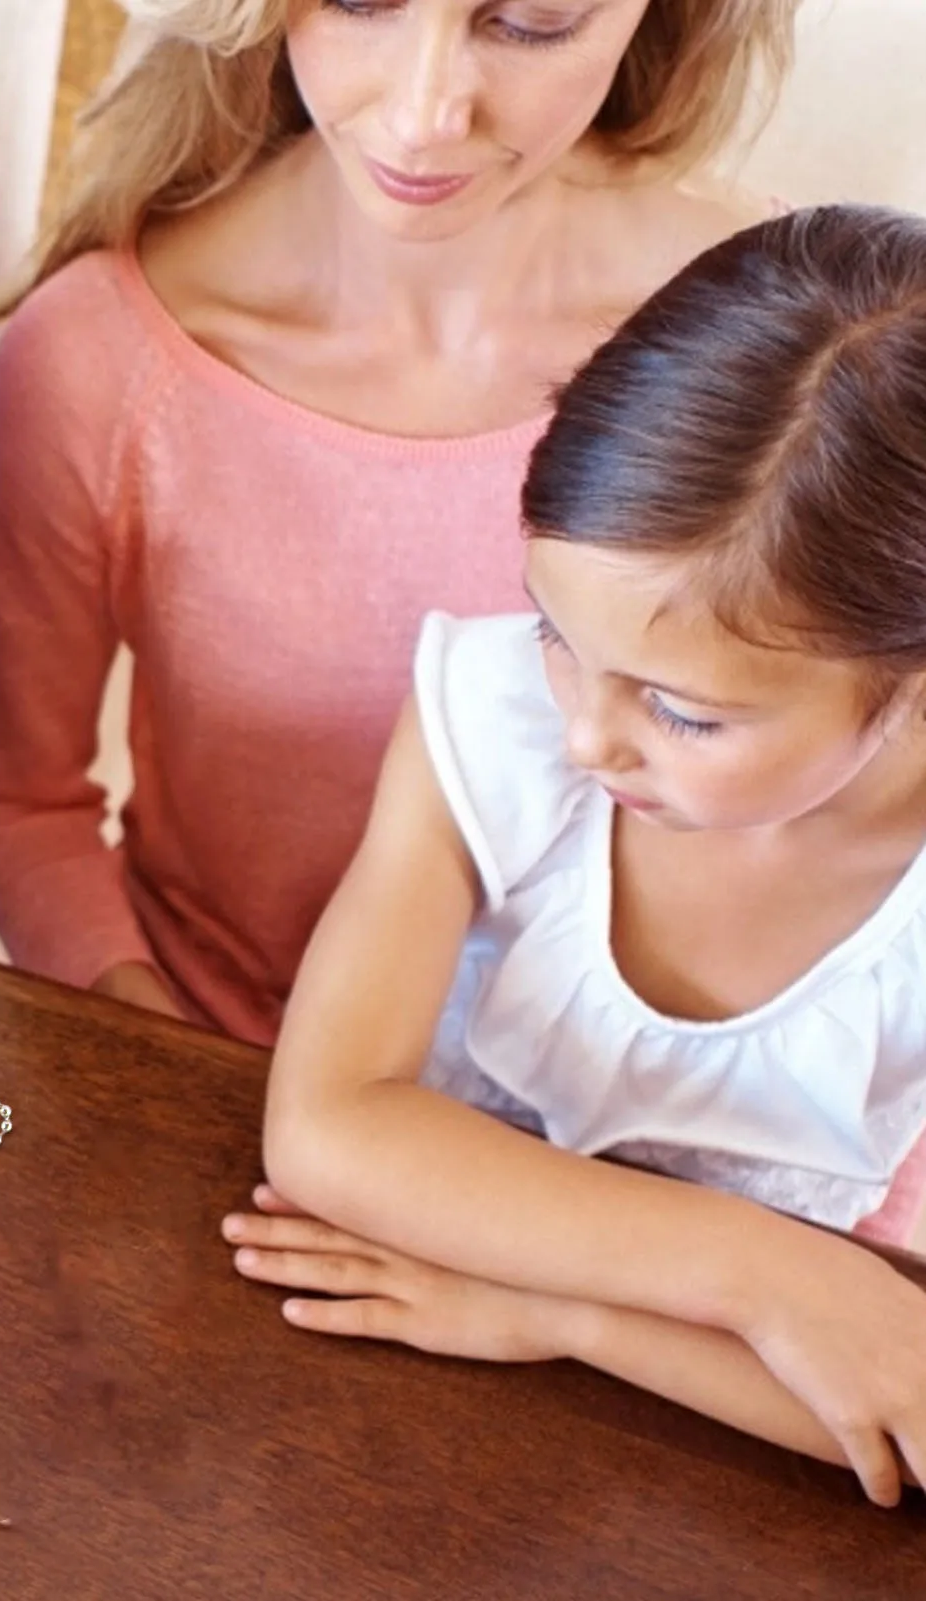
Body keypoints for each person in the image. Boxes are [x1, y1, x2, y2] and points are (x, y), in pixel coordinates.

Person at [231, 205, 926, 1507]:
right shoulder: (491, 718)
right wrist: (774, 1278)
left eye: (682, 712)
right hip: (366, 1429)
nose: (585, 736)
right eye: (555, 630)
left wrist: (564, 1313)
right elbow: (326, 1129)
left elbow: (894, 1386)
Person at [0, 0, 795, 1045]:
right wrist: (162, 1063)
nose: (424, 115)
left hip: (638, 1112)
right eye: (357, 0)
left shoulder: (800, 358)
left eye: (530, 22)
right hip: (220, 1072)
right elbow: (16, 801)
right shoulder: (103, 356)